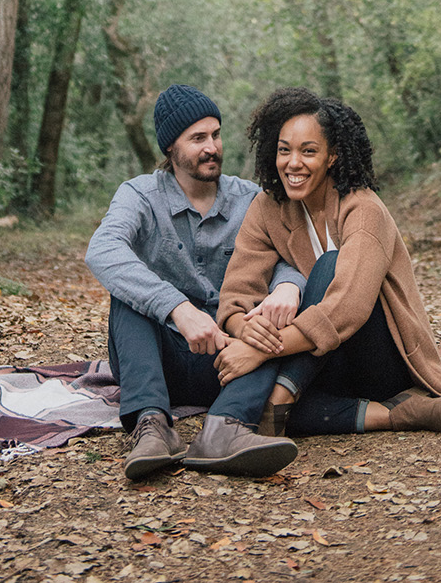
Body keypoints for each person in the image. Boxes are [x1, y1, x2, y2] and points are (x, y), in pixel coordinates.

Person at [186, 86, 441, 475]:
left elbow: (347, 308)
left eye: (308, 151)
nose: (293, 163)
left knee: (328, 268)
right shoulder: (268, 207)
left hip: (378, 356)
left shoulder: (364, 210)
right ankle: (391, 415)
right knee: (267, 361)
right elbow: (236, 294)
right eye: (284, 150)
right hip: (315, 360)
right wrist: (245, 329)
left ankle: (267, 404)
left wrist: (262, 351)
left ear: (332, 156)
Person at [85, 84, 306, 481]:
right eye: (198, 138)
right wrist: (177, 308)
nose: (212, 147)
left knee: (267, 323)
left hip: (229, 363)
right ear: (171, 147)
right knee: (128, 298)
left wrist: (288, 287)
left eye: (216, 135)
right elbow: (102, 250)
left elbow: (289, 256)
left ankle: (225, 429)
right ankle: (152, 427)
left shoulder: (251, 198)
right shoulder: (140, 194)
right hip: (159, 358)